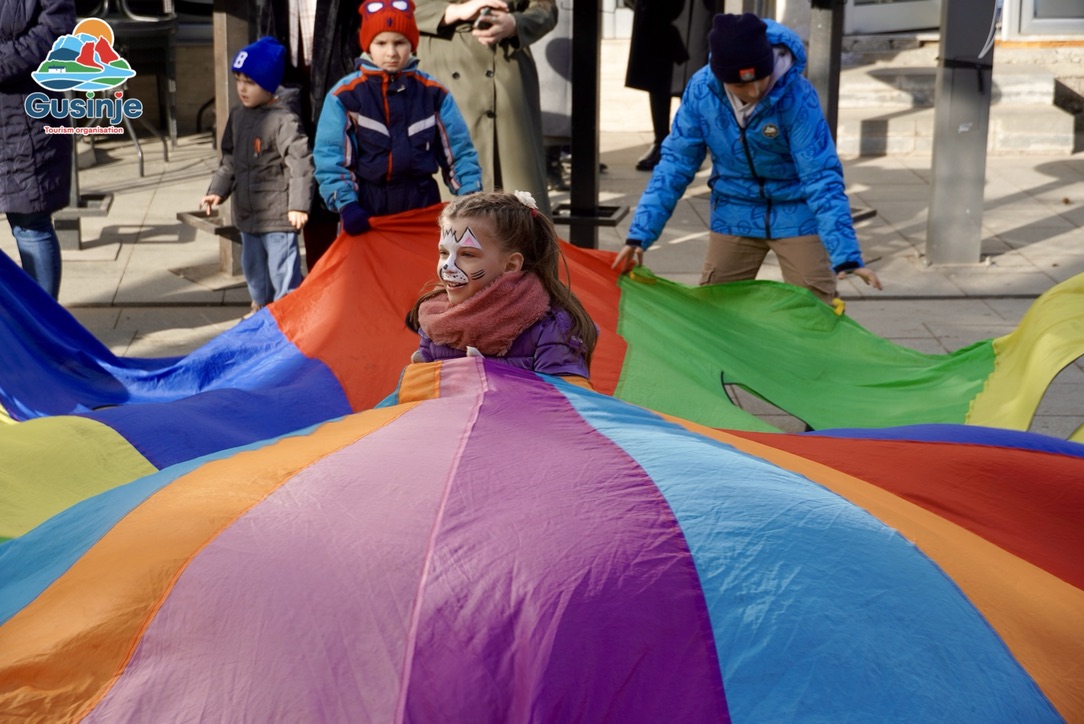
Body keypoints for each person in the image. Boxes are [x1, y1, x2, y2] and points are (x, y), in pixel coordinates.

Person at [614, 13, 882, 305]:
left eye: (760, 79)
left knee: (816, 308)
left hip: (796, 210)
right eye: (741, 85)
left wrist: (846, 256)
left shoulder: (798, 96)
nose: (754, 92)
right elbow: (675, 164)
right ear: (721, 77)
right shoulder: (701, 92)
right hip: (734, 210)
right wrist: (639, 235)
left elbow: (820, 176)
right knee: (715, 309)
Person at [314, 0, 482, 237]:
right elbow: (331, 157)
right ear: (367, 45)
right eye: (381, 43)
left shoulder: (433, 93)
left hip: (422, 205)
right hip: (366, 210)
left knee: (429, 263)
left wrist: (469, 197)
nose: (391, 52)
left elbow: (459, 151)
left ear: (412, 44)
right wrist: (346, 205)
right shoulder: (345, 95)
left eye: (400, 42)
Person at [407, 190, 596, 377]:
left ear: (511, 265)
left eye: (467, 254)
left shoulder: (551, 328)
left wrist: (494, 380)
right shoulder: (436, 317)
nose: (448, 266)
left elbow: (564, 393)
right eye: (443, 253)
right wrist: (421, 380)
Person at [201, 37, 314, 313]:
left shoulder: (284, 120)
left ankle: (288, 314)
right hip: (248, 217)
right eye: (239, 80)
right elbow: (230, 160)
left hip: (278, 217)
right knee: (253, 270)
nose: (242, 88)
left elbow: (300, 164)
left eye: (250, 82)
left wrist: (298, 205)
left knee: (282, 269)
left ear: (269, 84)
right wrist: (217, 190)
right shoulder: (238, 116)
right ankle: (260, 308)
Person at [413, 0, 557, 215]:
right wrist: (454, 11)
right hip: (440, 60)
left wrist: (516, 23)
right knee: (450, 193)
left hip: (505, 65)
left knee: (516, 189)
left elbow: (545, 9)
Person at [258, 0, 362, 271]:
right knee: (301, 185)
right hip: (290, 88)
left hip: (339, 85)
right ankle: (318, 275)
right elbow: (267, 28)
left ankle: (344, 273)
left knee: (341, 180)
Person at [0, 0, 76, 300]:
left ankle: (44, 321)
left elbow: (56, 29)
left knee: (29, 222)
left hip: (24, 117)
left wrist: (3, 62)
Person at [625, 0, 721, 171]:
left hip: (697, 7)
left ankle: (689, 145)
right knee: (658, 72)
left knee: (693, 74)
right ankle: (660, 141)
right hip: (659, 9)